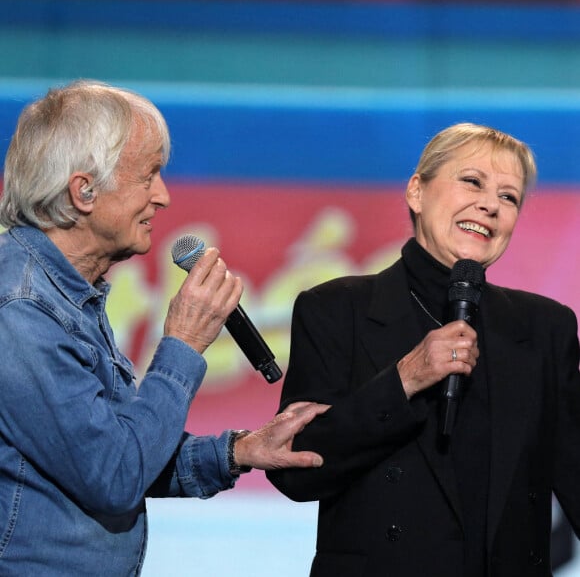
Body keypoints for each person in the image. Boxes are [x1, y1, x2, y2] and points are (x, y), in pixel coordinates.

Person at [0, 79, 329, 576]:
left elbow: (122, 447)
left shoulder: (67, 293)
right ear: (84, 191)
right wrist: (183, 343)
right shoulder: (21, 309)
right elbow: (114, 476)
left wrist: (241, 451)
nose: (165, 197)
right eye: (149, 175)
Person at [267, 123, 580, 577]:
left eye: (509, 197)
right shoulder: (336, 308)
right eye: (472, 181)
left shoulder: (545, 327)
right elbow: (296, 467)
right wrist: (403, 381)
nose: (490, 205)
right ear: (417, 191)